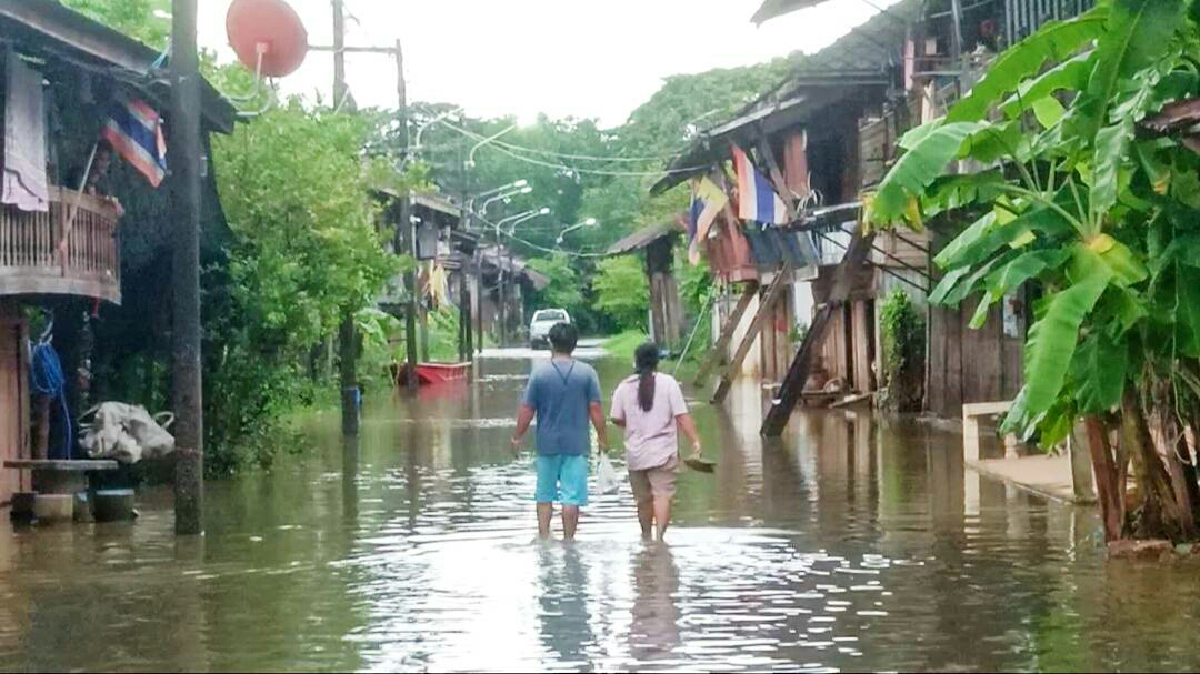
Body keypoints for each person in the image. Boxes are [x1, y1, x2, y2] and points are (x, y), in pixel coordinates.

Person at [511, 322, 609, 540]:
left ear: (551, 344)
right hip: (576, 445)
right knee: (571, 498)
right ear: (574, 345)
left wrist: (517, 437)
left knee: (544, 495)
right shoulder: (587, 374)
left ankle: (544, 538)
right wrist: (603, 439)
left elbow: (527, 410)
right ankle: (568, 542)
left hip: (547, 445)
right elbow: (595, 410)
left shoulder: (539, 374)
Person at [610, 342, 701, 541]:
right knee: (662, 495)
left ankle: (645, 537)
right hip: (663, 453)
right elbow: (682, 416)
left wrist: (631, 424)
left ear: (636, 361)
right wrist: (695, 441)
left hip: (636, 454)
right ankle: (660, 539)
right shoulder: (669, 384)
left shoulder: (624, 387)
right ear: (657, 361)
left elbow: (616, 417)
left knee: (642, 500)